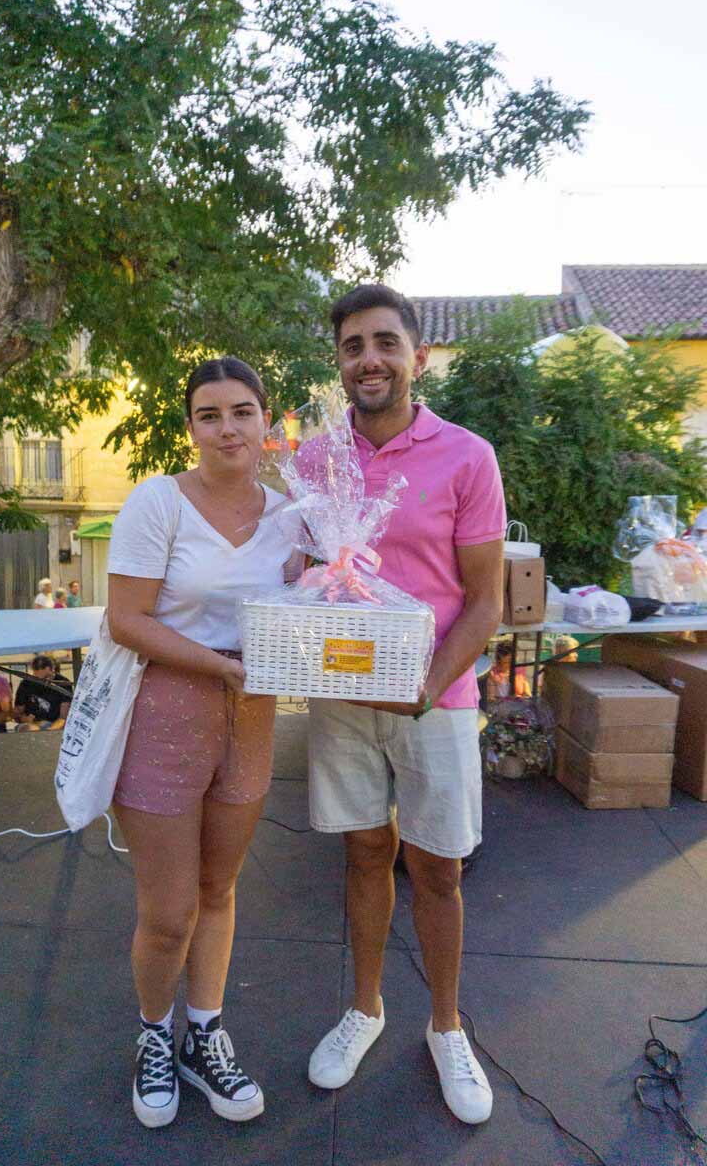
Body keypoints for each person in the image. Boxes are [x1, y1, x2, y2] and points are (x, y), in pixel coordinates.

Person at [307, 285, 505, 1125]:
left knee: (438, 868)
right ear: (340, 362)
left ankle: (446, 1025)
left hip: (438, 696)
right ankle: (365, 1008)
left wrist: (424, 687)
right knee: (363, 854)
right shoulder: (315, 460)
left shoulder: (467, 457)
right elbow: (298, 574)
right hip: (343, 694)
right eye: (354, 346)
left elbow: (486, 601)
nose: (370, 359)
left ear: (417, 357)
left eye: (385, 342)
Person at [107, 356, 298, 1131]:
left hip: (251, 716)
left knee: (219, 890)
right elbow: (127, 618)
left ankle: (203, 1035)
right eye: (209, 414)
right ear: (190, 427)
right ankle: (155, 1035)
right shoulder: (158, 502)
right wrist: (219, 666)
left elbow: (308, 609)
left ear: (265, 420)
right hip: (166, 709)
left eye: (242, 411)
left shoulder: (293, 514)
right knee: (168, 911)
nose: (227, 428)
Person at [14, 654, 72, 730]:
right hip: (31, 724)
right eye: (38, 678)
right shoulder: (26, 684)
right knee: (29, 728)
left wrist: (49, 731)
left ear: (53, 669)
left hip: (54, 724)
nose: (44, 682)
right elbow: (17, 713)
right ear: (34, 671)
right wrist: (24, 719)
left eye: (47, 677)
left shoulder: (63, 683)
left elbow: (63, 717)